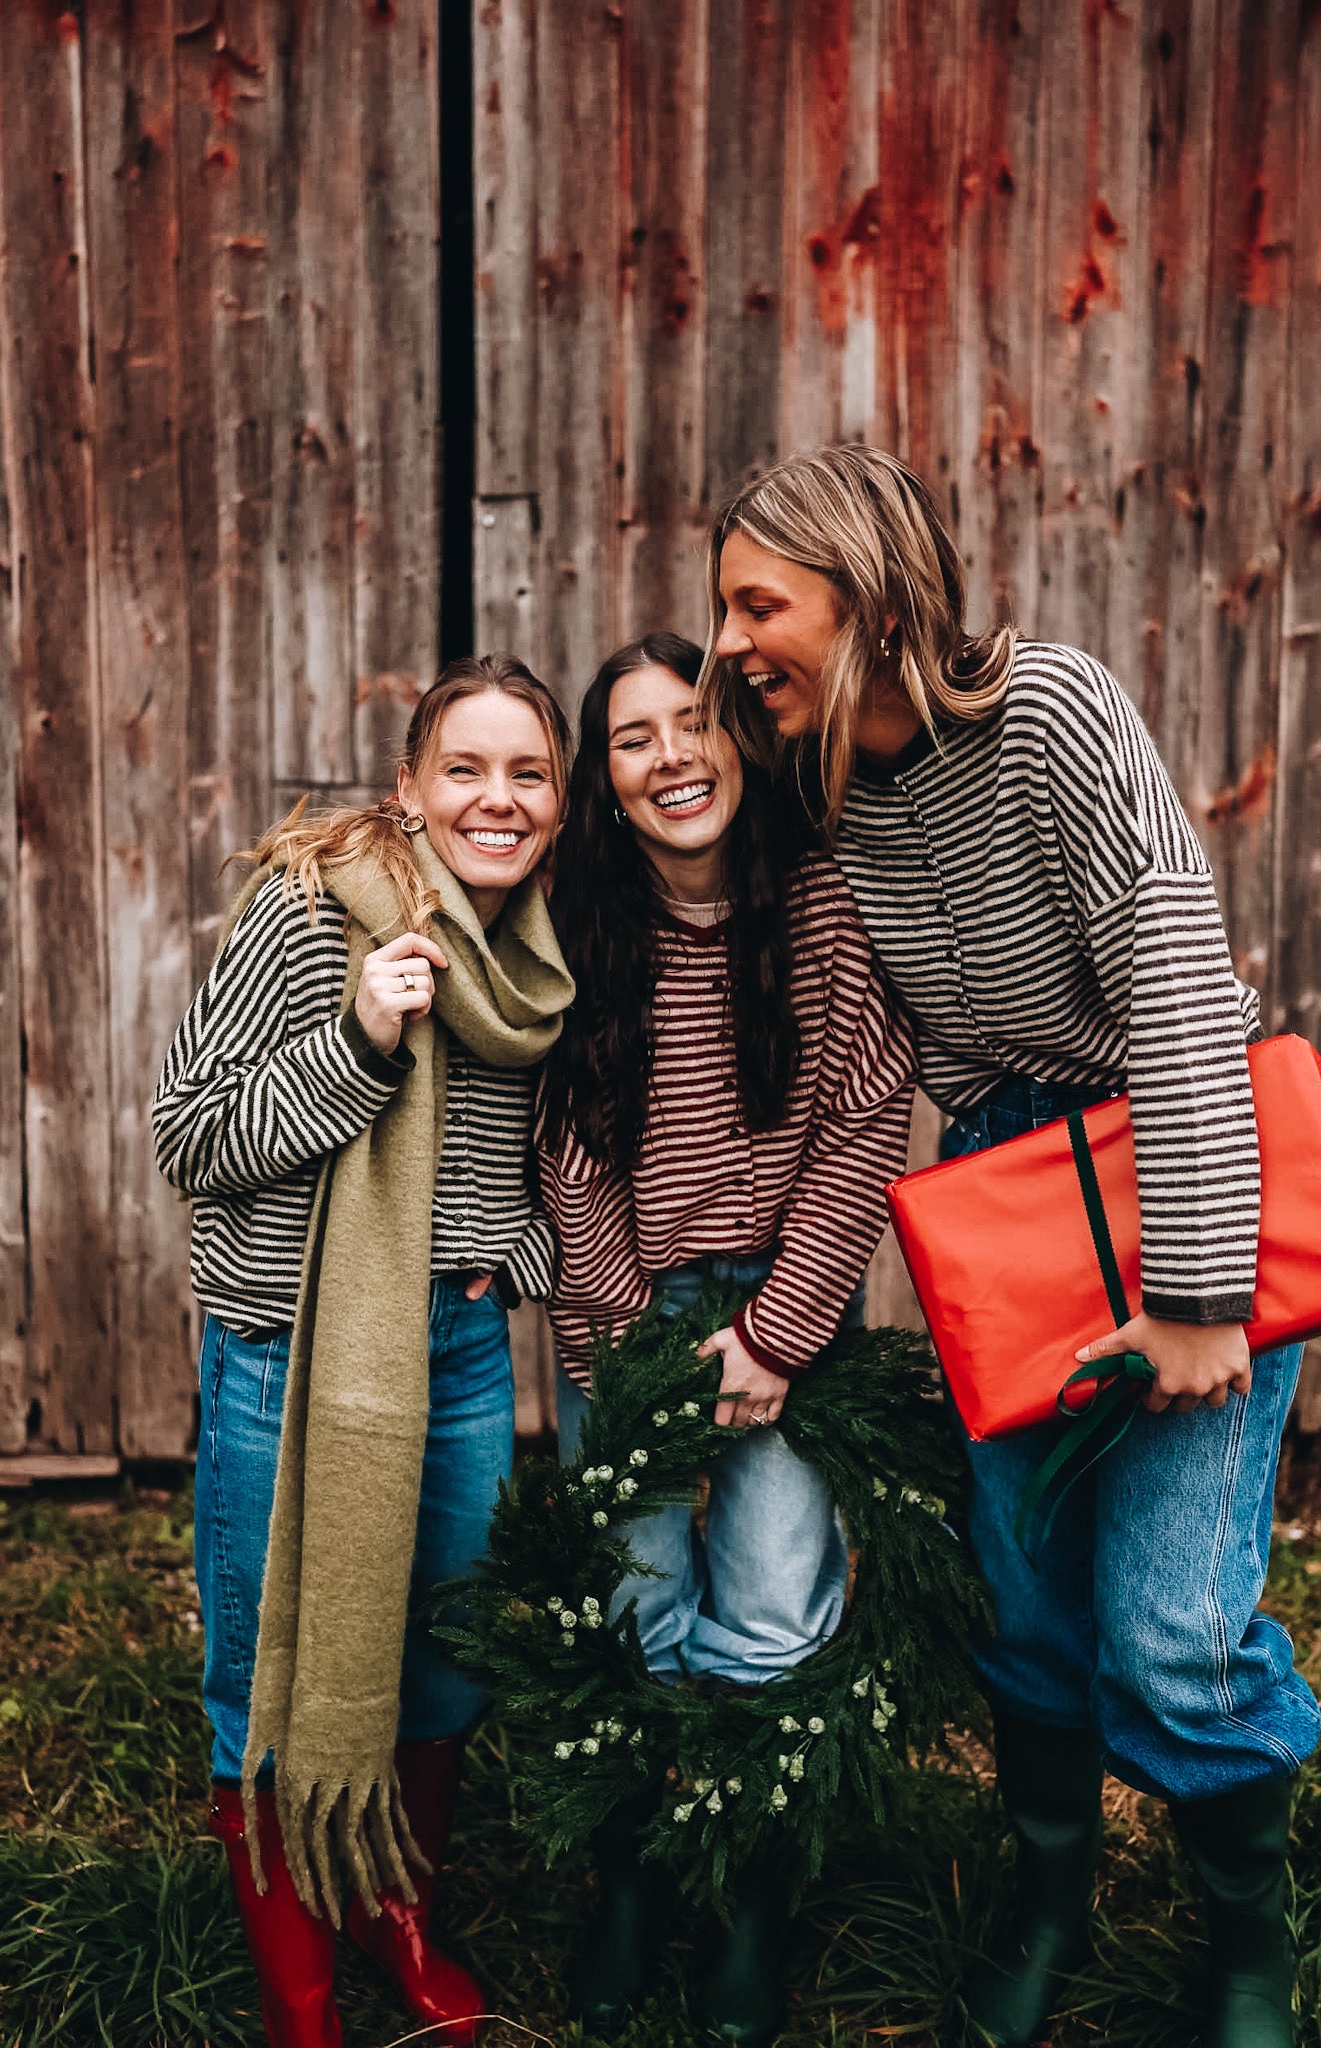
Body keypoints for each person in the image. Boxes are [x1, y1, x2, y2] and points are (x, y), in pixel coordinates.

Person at [700, 443, 1321, 2048]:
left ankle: (1247, 1946)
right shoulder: (818, 788)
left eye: (759, 605)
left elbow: (1174, 977)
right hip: (1007, 1194)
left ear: (867, 594)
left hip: (1170, 1163)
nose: (729, 643)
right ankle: (1049, 1898)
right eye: (723, 610)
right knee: (1027, 1601)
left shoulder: (1046, 712)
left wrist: (1198, 1296)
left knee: (1168, 1634)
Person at [152, 656, 574, 2048]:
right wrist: (360, 1038)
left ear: (560, 803)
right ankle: (302, 2002)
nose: (496, 799)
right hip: (290, 1352)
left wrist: (512, 1260)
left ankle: (395, 1915)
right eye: (465, 769)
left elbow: (531, 1162)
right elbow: (189, 1135)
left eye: (528, 773)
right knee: (269, 1679)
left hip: (456, 1353)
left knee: (444, 1660)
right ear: (408, 787)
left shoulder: (539, 954)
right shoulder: (310, 909)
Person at [536, 632, 917, 2048]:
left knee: (768, 1597)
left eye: (692, 722)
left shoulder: (819, 900)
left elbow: (864, 1122)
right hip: (624, 1294)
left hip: (780, 1296)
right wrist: (631, 1348)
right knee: (631, 1602)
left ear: (738, 742)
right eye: (632, 739)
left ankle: (752, 1902)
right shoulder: (576, 916)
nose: (670, 757)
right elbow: (563, 1142)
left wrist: (778, 1333)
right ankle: (633, 1884)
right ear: (606, 781)